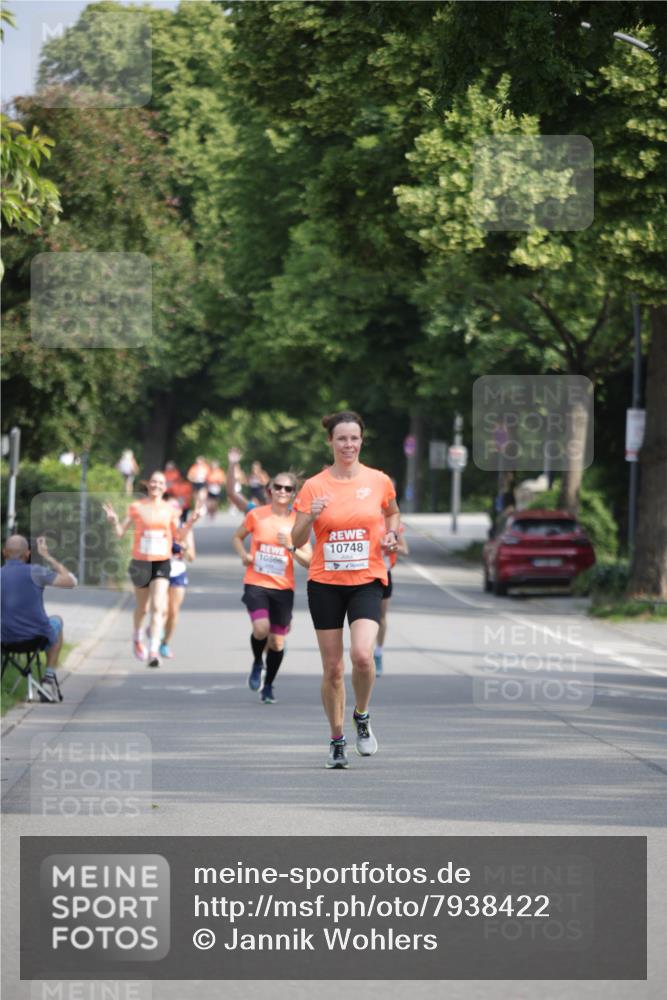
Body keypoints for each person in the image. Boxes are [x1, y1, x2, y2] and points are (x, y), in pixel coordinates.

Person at [291, 410, 400, 769]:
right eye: (341, 439)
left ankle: (362, 715)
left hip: (367, 578)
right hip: (325, 583)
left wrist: (392, 533)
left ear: (361, 440)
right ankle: (337, 739)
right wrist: (310, 515)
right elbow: (295, 539)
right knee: (334, 668)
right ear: (330, 442)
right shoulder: (314, 486)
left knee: (363, 656)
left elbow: (392, 513)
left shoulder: (379, 481)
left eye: (354, 438)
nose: (348, 444)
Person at [103, 471, 200, 668]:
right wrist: (114, 521)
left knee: (158, 607)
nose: (156, 485)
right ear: (148, 485)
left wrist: (191, 523)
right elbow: (121, 533)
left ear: (165, 488)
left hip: (162, 562)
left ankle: (154, 650)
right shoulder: (136, 507)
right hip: (140, 562)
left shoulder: (171, 510)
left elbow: (178, 536)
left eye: (160, 483)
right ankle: (138, 636)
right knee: (143, 608)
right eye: (153, 482)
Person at [233, 471, 312, 704]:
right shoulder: (256, 515)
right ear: (270, 490)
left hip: (283, 588)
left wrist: (291, 547)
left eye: (288, 489)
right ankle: (258, 662)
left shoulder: (298, 522)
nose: (282, 492)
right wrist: (244, 555)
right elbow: (237, 537)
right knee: (261, 629)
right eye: (278, 487)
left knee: (277, 642)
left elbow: (309, 560)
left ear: (294, 494)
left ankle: (268, 685)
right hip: (256, 582)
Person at [1, 535, 77, 678]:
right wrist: (47, 556)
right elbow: (71, 581)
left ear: (4, 552)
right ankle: (49, 677)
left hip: (4, 640)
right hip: (36, 639)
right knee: (57, 621)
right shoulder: (36, 571)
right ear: (27, 554)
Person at [374, 522, 409, 675]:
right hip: (363, 574)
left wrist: (391, 547)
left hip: (383, 573)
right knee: (364, 617)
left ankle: (378, 653)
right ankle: (365, 654)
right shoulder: (359, 513)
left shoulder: (391, 523)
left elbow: (404, 549)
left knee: (381, 617)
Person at [226, 447, 258, 515]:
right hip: (235, 490)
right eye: (278, 487)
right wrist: (232, 463)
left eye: (286, 488)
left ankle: (234, 507)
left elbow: (244, 481)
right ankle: (233, 507)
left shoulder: (241, 472)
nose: (282, 491)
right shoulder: (254, 510)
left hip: (256, 491)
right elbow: (231, 492)